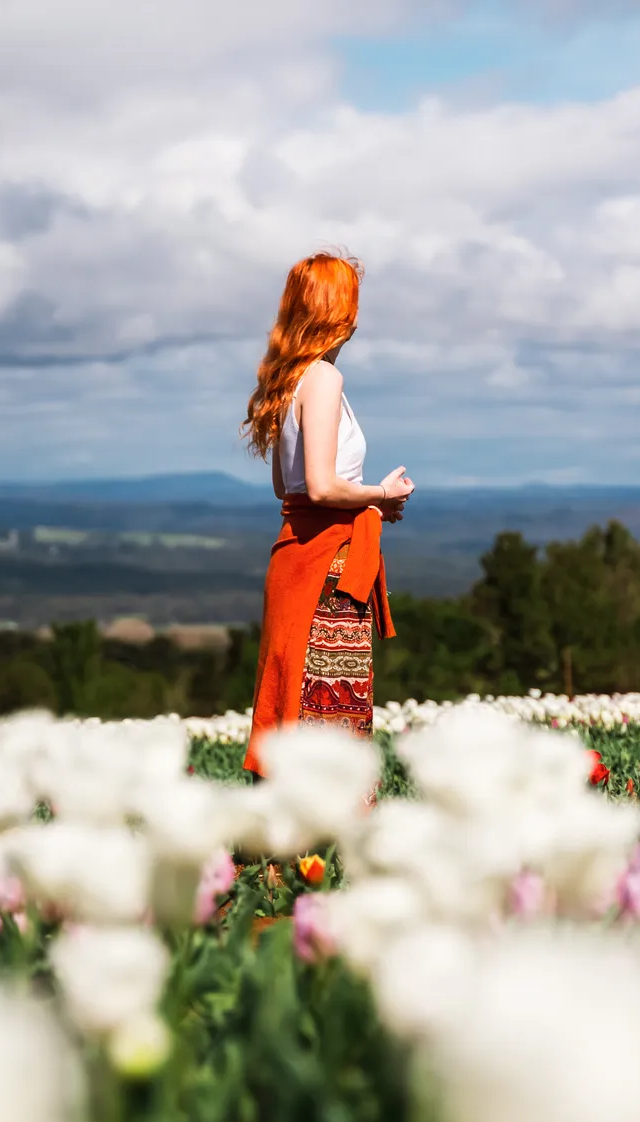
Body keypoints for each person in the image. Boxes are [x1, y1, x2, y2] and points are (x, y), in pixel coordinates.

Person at [239, 250, 414, 798]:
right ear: (342, 312)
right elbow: (320, 486)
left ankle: (279, 844)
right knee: (328, 706)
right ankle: (327, 842)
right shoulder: (324, 380)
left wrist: (362, 501)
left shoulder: (285, 382)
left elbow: (284, 488)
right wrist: (379, 496)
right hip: (329, 566)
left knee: (290, 698)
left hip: (293, 556)